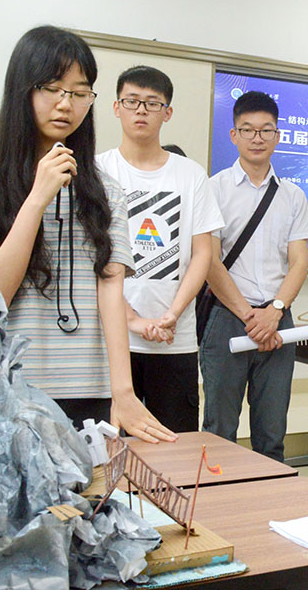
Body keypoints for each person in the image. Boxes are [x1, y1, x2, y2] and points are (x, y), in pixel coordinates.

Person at [0, 25, 176, 443]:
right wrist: (37, 199)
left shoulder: (106, 192)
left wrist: (123, 391)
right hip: (7, 389)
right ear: (21, 90)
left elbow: (110, 288)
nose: (66, 104)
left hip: (91, 390)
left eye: (80, 92)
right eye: (52, 88)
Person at [96, 66, 224, 434]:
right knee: (109, 448)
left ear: (167, 113)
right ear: (116, 107)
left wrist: (172, 314)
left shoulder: (191, 174)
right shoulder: (96, 171)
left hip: (174, 341)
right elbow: (92, 259)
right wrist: (132, 319)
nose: (141, 110)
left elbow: (203, 254)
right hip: (110, 340)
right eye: (132, 101)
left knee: (175, 445)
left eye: (152, 103)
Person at [200, 90, 308, 462]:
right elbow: (210, 261)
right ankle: (218, 499)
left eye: (266, 130)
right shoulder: (213, 189)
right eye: (248, 130)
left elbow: (298, 263)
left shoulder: (293, 196)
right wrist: (251, 316)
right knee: (219, 431)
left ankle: (270, 498)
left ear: (277, 136)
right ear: (234, 135)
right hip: (227, 317)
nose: (257, 138)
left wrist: (274, 311)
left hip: (278, 320)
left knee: (272, 433)